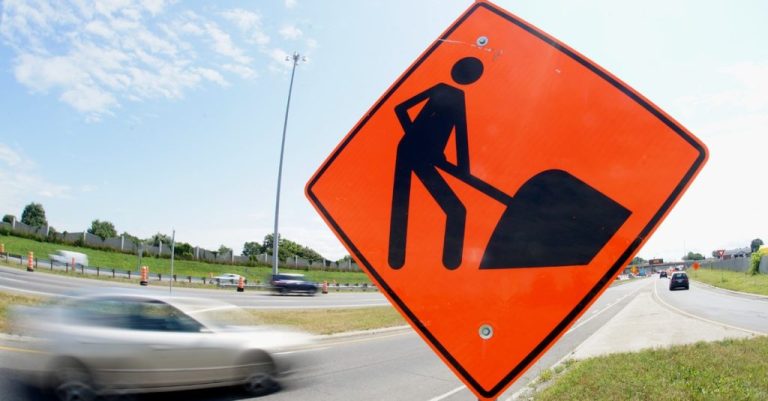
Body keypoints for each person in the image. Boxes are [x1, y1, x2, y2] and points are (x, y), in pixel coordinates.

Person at [388, 57, 484, 270]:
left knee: (457, 210)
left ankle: (450, 266)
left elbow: (460, 138)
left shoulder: (459, 98)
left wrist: (463, 171)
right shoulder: (440, 89)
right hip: (408, 149)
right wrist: (413, 136)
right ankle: (396, 261)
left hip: (425, 155)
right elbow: (401, 109)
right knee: (401, 204)